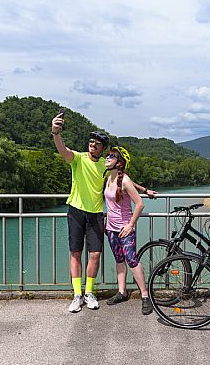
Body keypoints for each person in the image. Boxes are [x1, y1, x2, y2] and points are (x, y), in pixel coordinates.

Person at [51, 111, 156, 313]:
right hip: (76, 211)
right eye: (91, 142)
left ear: (103, 149)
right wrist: (56, 132)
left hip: (97, 215)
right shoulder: (79, 159)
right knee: (75, 253)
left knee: (96, 255)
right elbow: (63, 151)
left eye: (97, 144)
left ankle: (89, 292)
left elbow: (124, 179)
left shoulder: (105, 166)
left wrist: (144, 190)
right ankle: (77, 295)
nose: (93, 145)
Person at [104, 146, 153, 315]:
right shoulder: (108, 177)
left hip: (125, 228)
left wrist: (131, 224)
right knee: (119, 259)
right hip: (111, 228)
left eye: (112, 156)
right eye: (108, 155)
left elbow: (140, 204)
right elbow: (133, 185)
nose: (107, 157)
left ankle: (145, 295)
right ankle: (122, 292)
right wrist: (144, 188)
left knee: (132, 260)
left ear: (119, 162)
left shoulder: (124, 180)